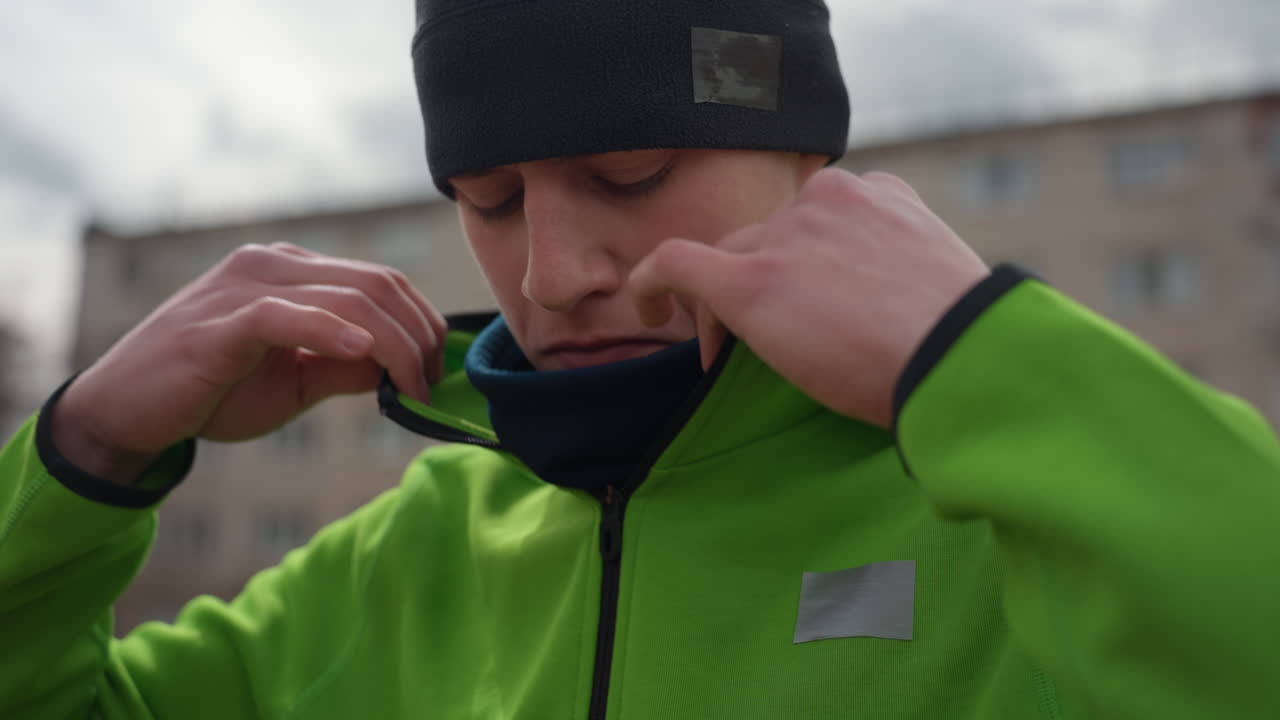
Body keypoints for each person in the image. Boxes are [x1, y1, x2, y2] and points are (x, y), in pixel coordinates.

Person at [2, 0, 1278, 718]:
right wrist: (85, 453)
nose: (552, 274)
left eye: (631, 173)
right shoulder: (421, 549)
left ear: (807, 164)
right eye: (491, 200)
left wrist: (973, 354)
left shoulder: (1036, 502)